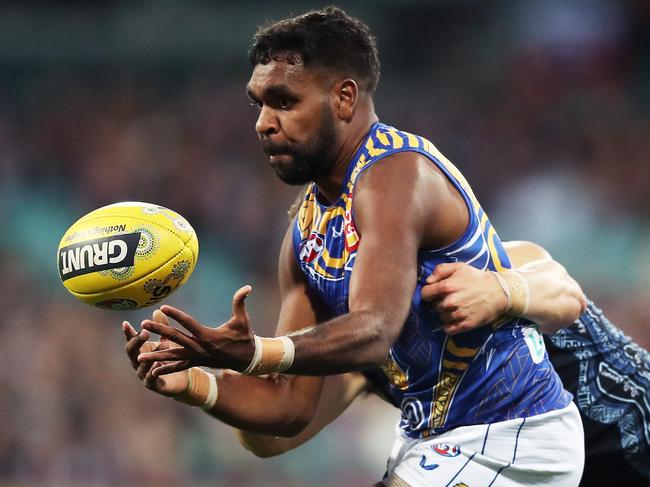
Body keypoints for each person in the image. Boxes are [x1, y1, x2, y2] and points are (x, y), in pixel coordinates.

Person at [126, 7, 585, 486]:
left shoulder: (395, 174)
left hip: (514, 433)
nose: (263, 123)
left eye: (283, 101)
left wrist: (257, 351)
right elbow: (289, 407)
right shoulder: (305, 231)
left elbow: (375, 330)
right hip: (431, 441)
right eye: (258, 103)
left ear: (344, 98)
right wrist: (194, 383)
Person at [234, 240, 650, 485]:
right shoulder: (365, 356)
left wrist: (499, 290)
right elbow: (273, 437)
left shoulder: (480, 264)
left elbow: (566, 295)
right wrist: (233, 365)